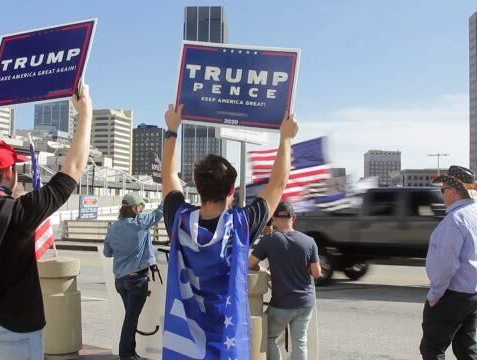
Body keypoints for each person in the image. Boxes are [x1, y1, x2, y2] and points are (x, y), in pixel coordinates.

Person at [0, 87, 92, 359]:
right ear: (10, 172)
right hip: (14, 333)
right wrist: (85, 114)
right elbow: (73, 169)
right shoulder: (21, 211)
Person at [160, 104, 298, 359]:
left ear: (198, 187)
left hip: (185, 343)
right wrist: (286, 138)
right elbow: (278, 183)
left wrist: (172, 130)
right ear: (232, 189)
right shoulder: (241, 224)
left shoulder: (178, 219)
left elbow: (168, 176)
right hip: (226, 339)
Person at [419, 165, 477, 360]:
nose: (442, 194)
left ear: (454, 191)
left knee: (432, 348)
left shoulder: (455, 220)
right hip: (475, 293)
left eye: (443, 189)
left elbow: (446, 265)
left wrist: (435, 295)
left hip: (452, 295)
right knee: (465, 347)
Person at [249, 202, 321, 360]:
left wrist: (264, 271)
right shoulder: (309, 241)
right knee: (300, 342)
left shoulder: (270, 239)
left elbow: (250, 263)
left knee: (269, 337)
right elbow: (316, 273)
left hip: (282, 303)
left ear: (274, 218)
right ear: (294, 218)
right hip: (305, 303)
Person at [103, 193, 164, 360]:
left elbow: (107, 252)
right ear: (135, 208)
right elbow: (160, 212)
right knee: (131, 320)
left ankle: (131, 353)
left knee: (131, 317)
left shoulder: (113, 227)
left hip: (120, 281)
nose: (142, 209)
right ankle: (125, 355)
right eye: (141, 206)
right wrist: (168, 193)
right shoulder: (141, 222)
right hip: (137, 280)